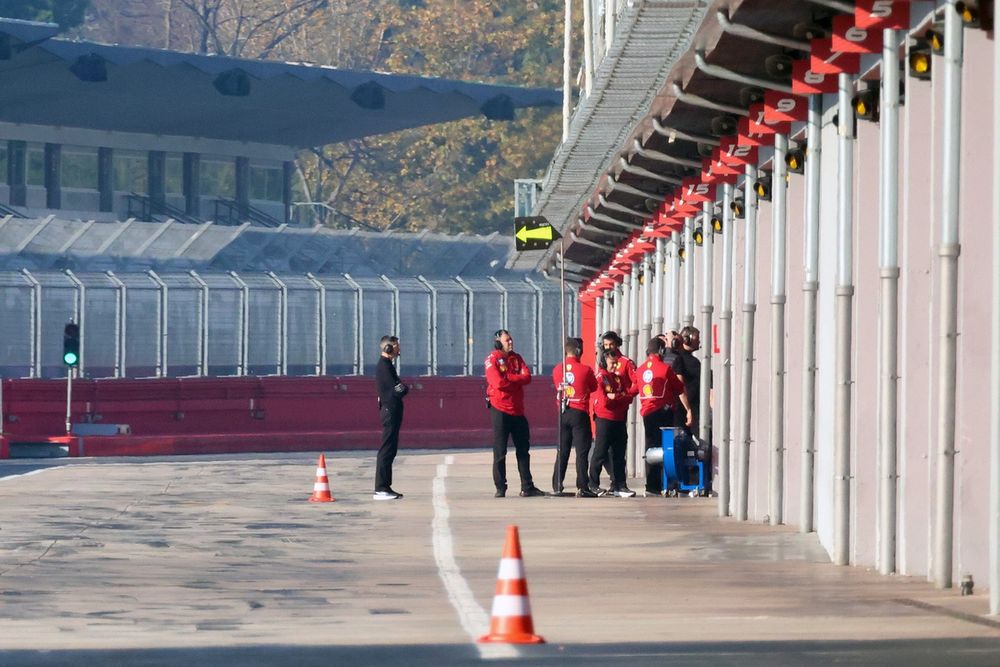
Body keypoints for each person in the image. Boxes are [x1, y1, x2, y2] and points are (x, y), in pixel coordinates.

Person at [485, 329, 545, 498]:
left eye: (511, 339)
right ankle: (500, 487)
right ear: (498, 343)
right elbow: (497, 382)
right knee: (500, 451)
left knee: (523, 450)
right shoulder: (493, 359)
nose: (510, 342)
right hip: (500, 409)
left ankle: (527, 486)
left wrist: (509, 378)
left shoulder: (517, 358)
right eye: (507, 340)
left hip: (518, 410)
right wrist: (514, 379)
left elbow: (527, 377)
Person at [638, 337, 693, 496]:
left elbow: (634, 388)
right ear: (661, 351)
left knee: (650, 448)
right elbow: (678, 387)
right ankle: (668, 482)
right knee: (667, 448)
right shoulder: (664, 368)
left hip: (646, 413)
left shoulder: (640, 370)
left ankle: (652, 486)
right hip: (664, 412)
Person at [551, 337, 598, 497]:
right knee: (582, 451)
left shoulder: (558, 369)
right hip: (579, 412)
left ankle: (557, 484)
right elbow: (593, 386)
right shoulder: (585, 370)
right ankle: (582, 486)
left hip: (562, 413)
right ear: (578, 351)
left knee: (562, 450)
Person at [589, 348, 634, 497]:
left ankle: (620, 485)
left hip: (619, 420)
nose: (615, 366)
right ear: (603, 362)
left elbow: (628, 397)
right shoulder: (600, 378)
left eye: (616, 363)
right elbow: (605, 402)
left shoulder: (617, 378)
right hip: (604, 420)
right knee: (600, 453)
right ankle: (593, 484)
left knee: (619, 455)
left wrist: (617, 397)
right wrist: (617, 397)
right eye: (612, 363)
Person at [598, 331, 636, 486]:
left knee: (618, 448)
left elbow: (636, 383)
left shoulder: (626, 362)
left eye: (611, 344)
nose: (608, 348)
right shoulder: (603, 361)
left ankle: (618, 481)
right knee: (602, 448)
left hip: (620, 409)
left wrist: (626, 396)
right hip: (604, 409)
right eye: (605, 345)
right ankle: (610, 478)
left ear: (617, 344)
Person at [374, 335, 407, 500]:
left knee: (391, 449)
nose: (398, 349)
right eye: (396, 346)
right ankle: (381, 488)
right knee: (387, 449)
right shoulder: (384, 366)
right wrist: (402, 388)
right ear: (388, 348)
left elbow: (399, 388)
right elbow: (397, 389)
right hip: (389, 411)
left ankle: (385, 486)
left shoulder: (387, 366)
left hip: (392, 410)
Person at [672, 326, 702, 432]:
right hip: (685, 411)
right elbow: (680, 386)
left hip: (684, 410)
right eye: (696, 338)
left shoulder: (682, 359)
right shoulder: (682, 359)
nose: (699, 341)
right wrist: (688, 409)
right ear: (686, 339)